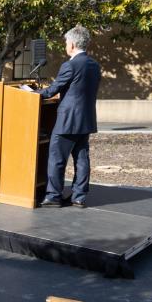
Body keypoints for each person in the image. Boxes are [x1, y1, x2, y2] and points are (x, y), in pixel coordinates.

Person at [38, 25, 101, 209]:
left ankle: (53, 196)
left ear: (72, 44)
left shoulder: (70, 65)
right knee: (81, 159)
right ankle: (79, 197)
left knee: (57, 159)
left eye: (66, 42)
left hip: (67, 121)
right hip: (86, 120)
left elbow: (52, 90)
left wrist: (31, 94)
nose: (66, 45)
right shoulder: (94, 65)